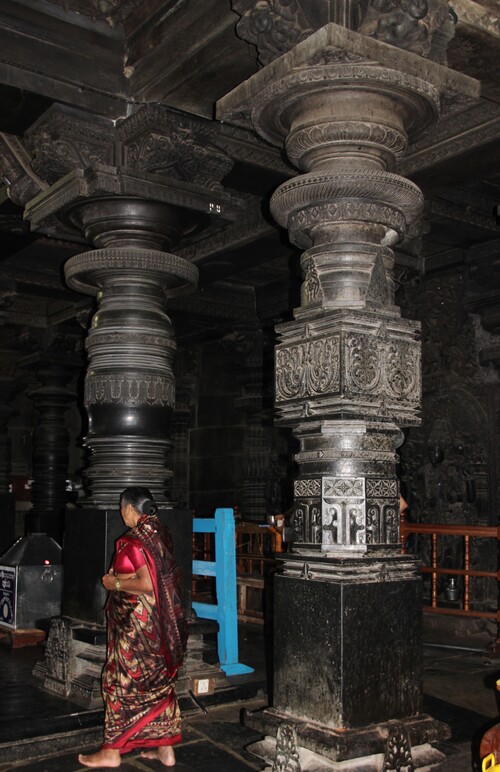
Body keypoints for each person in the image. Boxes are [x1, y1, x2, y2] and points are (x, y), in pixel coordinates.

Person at [79, 487, 188, 768]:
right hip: (159, 622)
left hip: (137, 625)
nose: (120, 512)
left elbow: (147, 583)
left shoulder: (133, 541)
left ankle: (112, 751)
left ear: (129, 509)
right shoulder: (159, 533)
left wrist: (113, 583)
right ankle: (165, 749)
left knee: (119, 681)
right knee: (156, 683)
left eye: (121, 507)